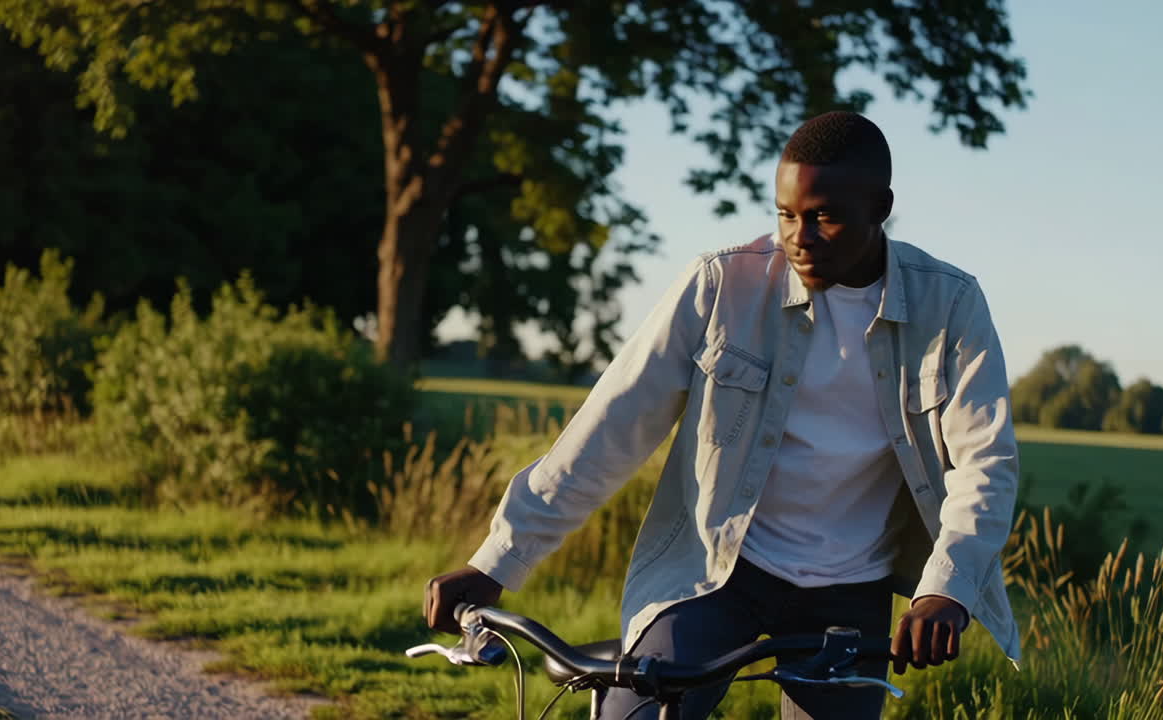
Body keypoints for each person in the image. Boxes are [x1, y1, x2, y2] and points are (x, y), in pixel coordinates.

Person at [424, 111, 1021, 719]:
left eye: (824, 217)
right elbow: (610, 429)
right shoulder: (720, 284)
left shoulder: (950, 305)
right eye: (786, 215)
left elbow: (985, 464)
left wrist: (946, 589)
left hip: (850, 590)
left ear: (880, 208)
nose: (800, 237)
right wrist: (497, 560)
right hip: (714, 572)